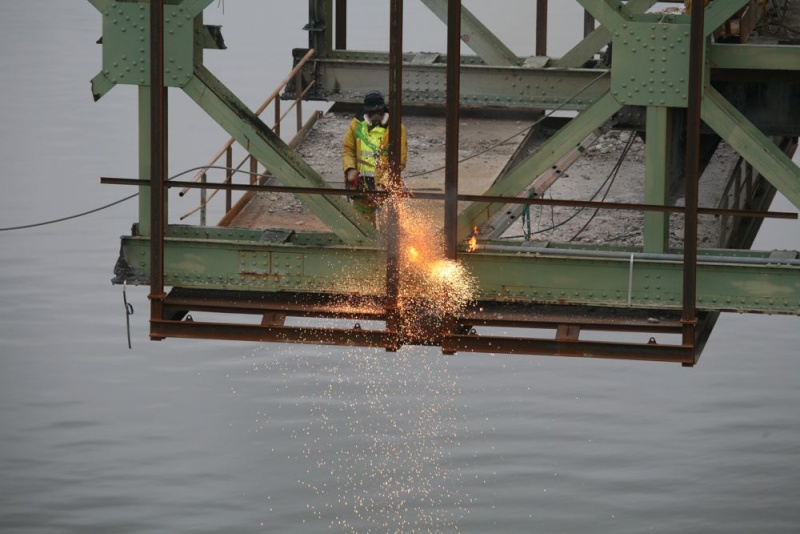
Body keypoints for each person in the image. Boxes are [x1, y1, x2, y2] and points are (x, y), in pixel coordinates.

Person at [341, 90, 408, 224]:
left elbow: (399, 162)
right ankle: (367, 245)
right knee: (363, 229)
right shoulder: (356, 126)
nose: (375, 115)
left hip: (385, 187)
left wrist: (383, 184)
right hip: (362, 186)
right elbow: (348, 150)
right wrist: (350, 169)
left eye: (379, 112)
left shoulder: (396, 128)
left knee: (389, 229)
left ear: (383, 110)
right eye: (371, 113)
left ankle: (386, 244)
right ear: (366, 112)